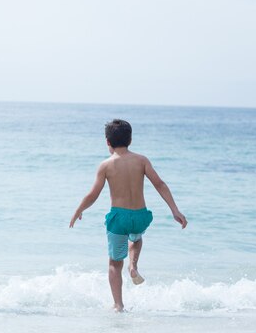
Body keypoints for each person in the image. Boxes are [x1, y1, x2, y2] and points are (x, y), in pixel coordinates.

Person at [69, 119, 187, 312]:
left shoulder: (106, 165)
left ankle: (118, 304)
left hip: (119, 218)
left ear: (107, 142)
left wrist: (79, 210)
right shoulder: (141, 160)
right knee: (137, 238)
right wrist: (175, 210)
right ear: (130, 139)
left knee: (114, 264)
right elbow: (160, 184)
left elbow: (93, 194)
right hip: (140, 216)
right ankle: (133, 266)